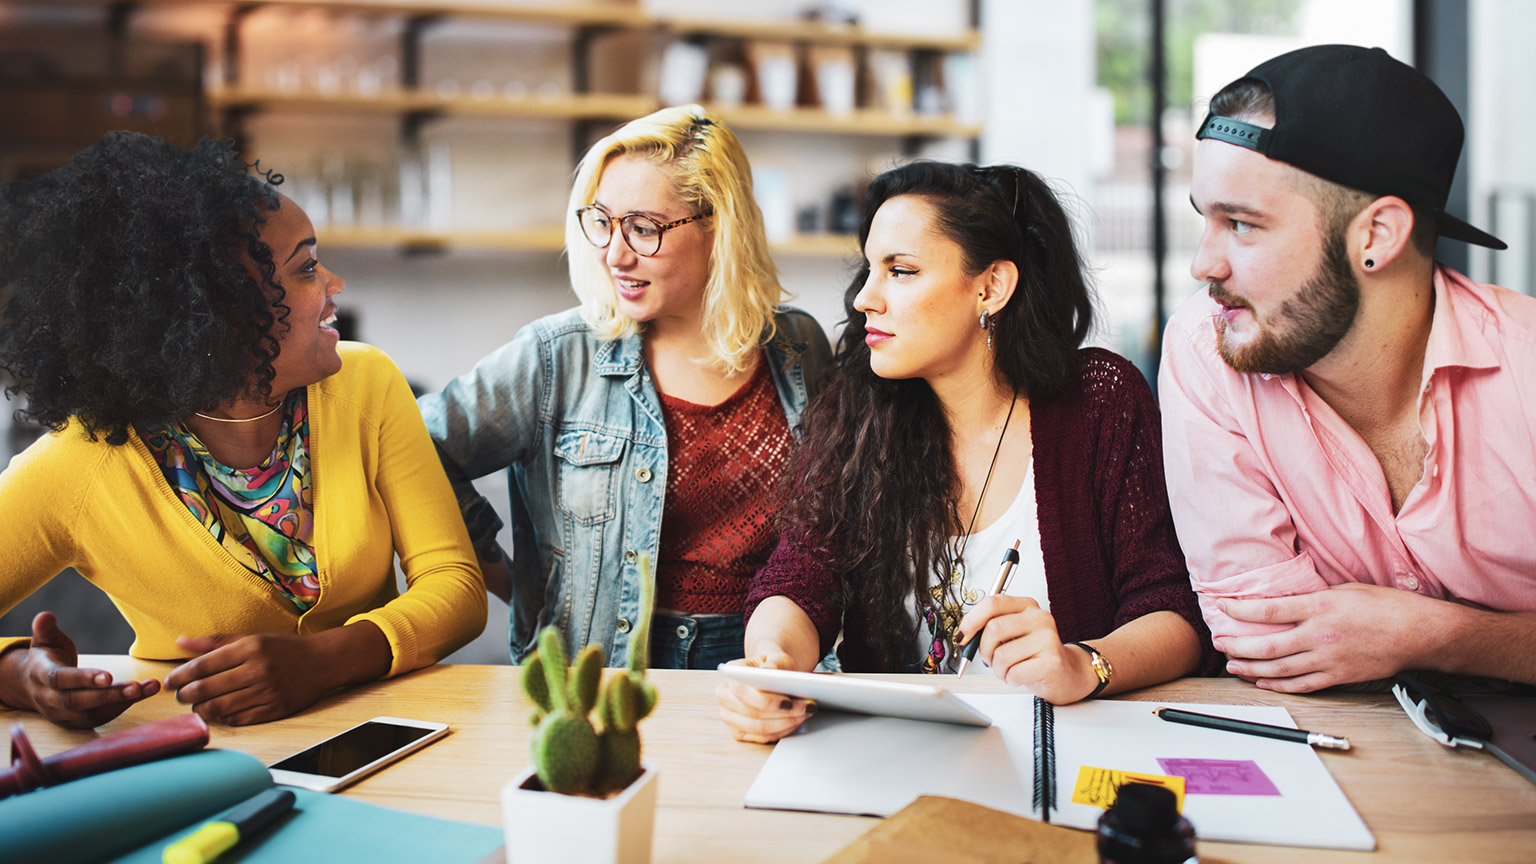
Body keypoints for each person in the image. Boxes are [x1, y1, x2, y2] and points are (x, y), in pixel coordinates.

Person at [0, 132, 486, 729]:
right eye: (306, 268)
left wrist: (325, 660)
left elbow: (455, 584)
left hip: (384, 739)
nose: (334, 285)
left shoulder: (367, 385)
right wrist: (22, 676)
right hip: (196, 761)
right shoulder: (83, 462)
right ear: (218, 316)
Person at [718, 161, 1215, 742]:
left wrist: (1085, 663)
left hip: (1061, 750)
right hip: (895, 753)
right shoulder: (859, 407)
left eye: (900, 271)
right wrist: (771, 664)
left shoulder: (1101, 402)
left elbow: (1175, 610)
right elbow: (801, 576)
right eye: (869, 269)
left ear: (991, 287)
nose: (864, 299)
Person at [1161, 44, 1536, 693]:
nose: (1204, 266)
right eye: (1206, 220)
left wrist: (1436, 636)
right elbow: (1264, 639)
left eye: (1242, 225)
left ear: (1376, 236)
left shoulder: (1525, 365)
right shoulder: (1208, 347)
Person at [418, 105, 831, 670]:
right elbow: (416, 446)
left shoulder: (798, 345)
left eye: (643, 228)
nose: (614, 253)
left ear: (719, 226)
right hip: (605, 670)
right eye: (602, 221)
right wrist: (509, 578)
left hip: (767, 660)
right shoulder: (555, 355)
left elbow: (826, 520)